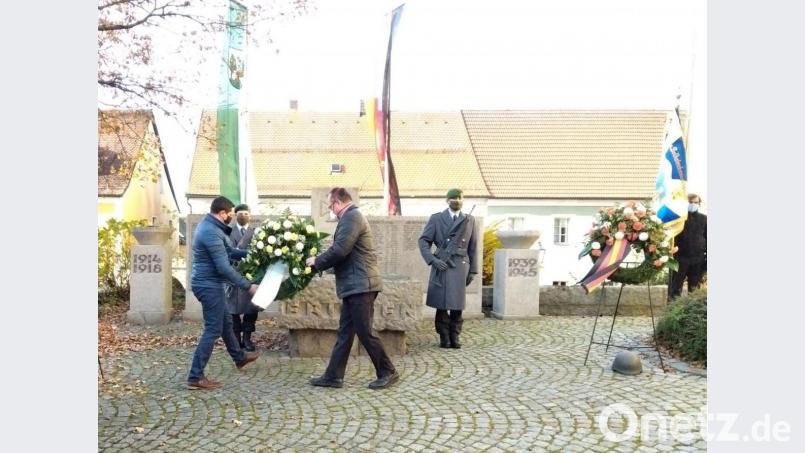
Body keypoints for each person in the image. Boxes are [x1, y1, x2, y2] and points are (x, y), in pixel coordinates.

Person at [305, 188, 399, 390]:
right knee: (345, 332)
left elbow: (340, 250)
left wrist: (316, 262)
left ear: (338, 202)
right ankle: (333, 376)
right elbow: (344, 252)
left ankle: (388, 371)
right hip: (355, 285)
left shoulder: (352, 217)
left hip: (361, 285)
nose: (331, 209)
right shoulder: (351, 217)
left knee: (365, 332)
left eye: (331, 205)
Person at [187, 196, 260, 390]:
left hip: (212, 284)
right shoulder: (210, 232)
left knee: (226, 321)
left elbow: (231, 252)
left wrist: (257, 254)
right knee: (213, 328)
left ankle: (239, 357)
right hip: (208, 285)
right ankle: (195, 376)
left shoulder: (214, 228)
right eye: (230, 214)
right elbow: (224, 267)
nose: (232, 217)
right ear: (222, 213)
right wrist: (248, 286)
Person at [418, 188, 478, 349]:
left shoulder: (469, 220)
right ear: (447, 200)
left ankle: (455, 335)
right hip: (442, 265)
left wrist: (473, 270)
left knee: (457, 305)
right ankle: (444, 336)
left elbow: (473, 246)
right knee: (442, 303)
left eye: (460, 197)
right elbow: (424, 241)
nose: (457, 200)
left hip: (461, 265)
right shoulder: (437, 219)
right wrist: (432, 260)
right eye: (453, 198)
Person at [227, 203, 260, 352]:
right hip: (233, 275)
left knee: (250, 310)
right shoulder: (228, 232)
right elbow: (227, 252)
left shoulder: (256, 233)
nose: (243, 216)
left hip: (251, 276)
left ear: (250, 216)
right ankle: (236, 340)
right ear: (235, 216)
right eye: (240, 213)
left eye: (246, 214)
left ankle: (247, 339)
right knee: (232, 310)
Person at [669, 193, 707, 300]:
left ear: (699, 204)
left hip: (698, 258)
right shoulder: (679, 218)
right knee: (675, 287)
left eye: (696, 202)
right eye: (691, 202)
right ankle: (672, 312)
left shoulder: (704, 219)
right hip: (680, 257)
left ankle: (692, 315)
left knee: (695, 289)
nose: (693, 204)